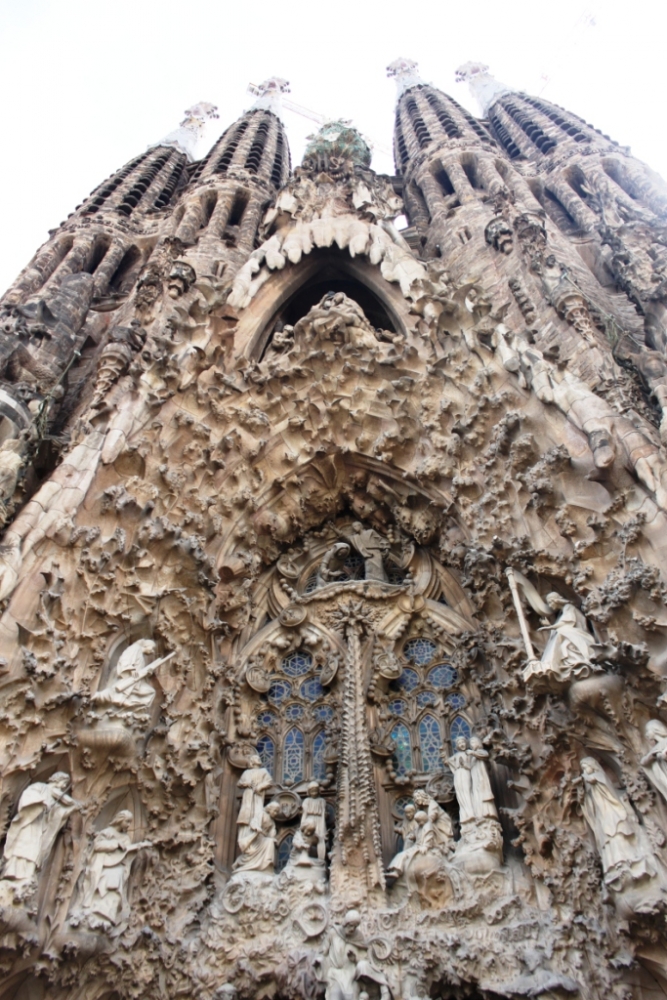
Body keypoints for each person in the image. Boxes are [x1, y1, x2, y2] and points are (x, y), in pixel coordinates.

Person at [1, 772, 78, 886]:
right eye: (63, 783)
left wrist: (66, 808)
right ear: (56, 780)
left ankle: (27, 876)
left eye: (65, 784)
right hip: (29, 822)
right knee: (22, 847)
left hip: (39, 827)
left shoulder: (54, 796)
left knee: (34, 851)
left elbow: (57, 813)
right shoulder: (40, 787)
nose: (62, 786)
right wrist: (41, 802)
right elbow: (28, 797)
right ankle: (13, 873)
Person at [233, 801, 281, 874]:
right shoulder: (262, 814)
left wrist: (273, 837)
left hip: (264, 839)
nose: (276, 813)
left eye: (277, 812)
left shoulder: (272, 822)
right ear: (270, 809)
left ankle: (267, 864)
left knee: (270, 842)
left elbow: (272, 832)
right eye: (275, 811)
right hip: (257, 837)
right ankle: (241, 862)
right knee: (254, 849)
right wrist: (257, 828)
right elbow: (254, 822)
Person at [300, 781, 328, 861]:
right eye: (312, 791)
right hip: (309, 820)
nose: (314, 792)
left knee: (320, 838)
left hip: (319, 821)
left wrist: (323, 826)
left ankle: (321, 859)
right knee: (307, 838)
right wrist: (302, 825)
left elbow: (323, 813)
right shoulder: (306, 801)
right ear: (309, 792)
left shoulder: (322, 801)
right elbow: (304, 813)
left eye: (316, 790)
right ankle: (305, 858)